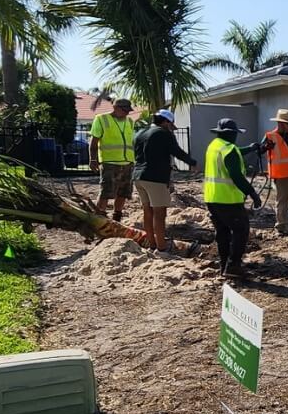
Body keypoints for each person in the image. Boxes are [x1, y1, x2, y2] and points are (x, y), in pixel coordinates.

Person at [203, 118, 263, 280]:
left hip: (212, 198)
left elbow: (234, 151)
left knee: (223, 232)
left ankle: (224, 266)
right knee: (241, 230)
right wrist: (253, 194)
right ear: (231, 134)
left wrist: (250, 149)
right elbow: (236, 176)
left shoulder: (215, 146)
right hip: (228, 200)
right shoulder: (229, 150)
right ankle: (234, 265)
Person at [132, 109, 197, 252]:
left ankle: (152, 244)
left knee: (147, 212)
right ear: (166, 122)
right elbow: (177, 151)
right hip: (155, 178)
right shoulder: (164, 133)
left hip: (138, 177)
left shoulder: (140, 133)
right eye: (170, 124)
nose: (171, 128)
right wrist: (193, 162)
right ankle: (161, 248)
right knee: (160, 214)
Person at [88, 98, 136, 221]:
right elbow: (94, 142)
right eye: (125, 110)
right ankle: (99, 218)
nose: (127, 113)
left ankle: (117, 217)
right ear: (116, 108)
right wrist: (93, 160)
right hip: (110, 163)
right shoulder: (102, 119)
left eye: (128, 110)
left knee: (123, 193)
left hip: (127, 163)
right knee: (106, 192)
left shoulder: (130, 121)